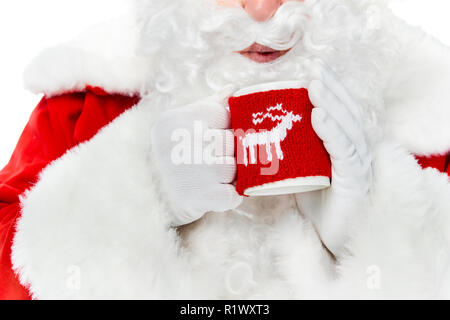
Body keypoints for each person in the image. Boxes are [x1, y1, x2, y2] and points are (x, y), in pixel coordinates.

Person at [1, 0, 449, 299]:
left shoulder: (429, 103)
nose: (259, 10)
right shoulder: (91, 94)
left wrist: (373, 230)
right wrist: (135, 192)